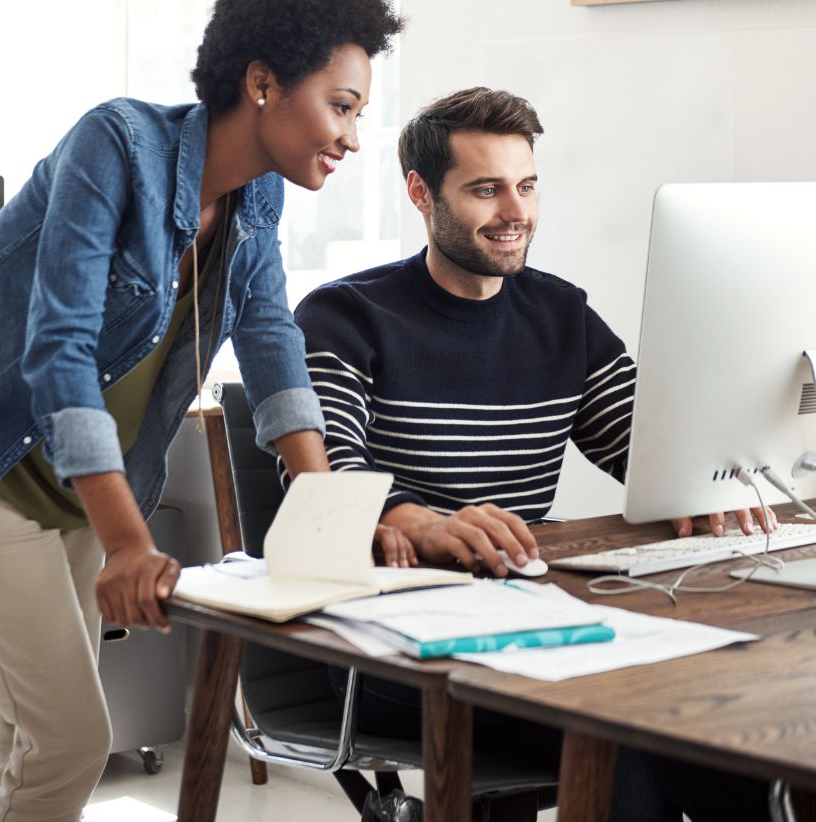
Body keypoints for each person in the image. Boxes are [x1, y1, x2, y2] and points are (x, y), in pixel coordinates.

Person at [0, 0, 402, 822]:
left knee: (35, 740)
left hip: (78, 491)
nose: (353, 137)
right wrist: (132, 544)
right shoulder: (117, 147)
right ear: (260, 82)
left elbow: (271, 333)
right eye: (342, 105)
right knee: (70, 740)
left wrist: (319, 495)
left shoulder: (257, 204)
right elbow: (58, 350)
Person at [284, 86, 777, 821]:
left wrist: (708, 478)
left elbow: (647, 448)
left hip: (530, 616)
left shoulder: (560, 315)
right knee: (631, 729)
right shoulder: (346, 315)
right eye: (486, 189)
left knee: (735, 727)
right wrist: (417, 521)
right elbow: (326, 475)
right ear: (421, 193)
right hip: (391, 648)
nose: (516, 212)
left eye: (526, 186)